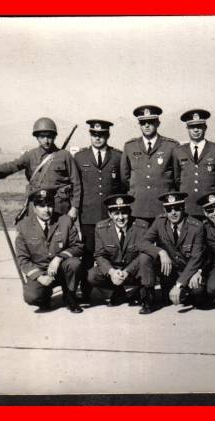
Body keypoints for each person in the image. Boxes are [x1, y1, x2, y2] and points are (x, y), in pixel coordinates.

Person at [0, 117, 81, 222]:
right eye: (42, 137)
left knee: (60, 232)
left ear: (54, 137)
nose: (46, 140)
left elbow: (76, 182)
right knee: (34, 231)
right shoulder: (30, 155)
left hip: (59, 207)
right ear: (37, 137)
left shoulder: (65, 155)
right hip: (37, 205)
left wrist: (75, 207)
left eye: (49, 136)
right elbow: (12, 166)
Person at [73, 119, 123, 302]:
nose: (98, 138)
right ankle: (85, 292)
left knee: (112, 254)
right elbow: (76, 185)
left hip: (111, 215)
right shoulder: (80, 157)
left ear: (107, 135)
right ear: (90, 135)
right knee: (87, 254)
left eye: (101, 134)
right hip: (88, 215)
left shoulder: (117, 156)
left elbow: (122, 185)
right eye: (94, 134)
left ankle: (115, 290)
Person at [14, 188, 84, 313]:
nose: (47, 210)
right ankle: (45, 296)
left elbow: (78, 246)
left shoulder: (65, 220)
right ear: (34, 208)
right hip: (40, 271)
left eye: (50, 205)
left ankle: (70, 296)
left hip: (61, 269)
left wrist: (59, 258)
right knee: (32, 297)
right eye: (42, 206)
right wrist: (39, 277)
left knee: (74, 263)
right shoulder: (23, 226)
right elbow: (22, 259)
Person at [137, 192, 206, 314]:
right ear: (164, 211)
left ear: (183, 208)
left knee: (198, 293)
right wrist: (161, 252)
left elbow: (196, 258)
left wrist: (179, 284)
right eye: (169, 209)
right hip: (169, 272)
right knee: (145, 256)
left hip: (187, 271)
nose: (173, 213)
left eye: (177, 208)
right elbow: (143, 243)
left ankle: (185, 292)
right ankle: (148, 298)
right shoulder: (160, 222)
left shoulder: (196, 226)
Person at [120, 105, 179, 225]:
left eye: (150, 122)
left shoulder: (171, 146)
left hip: (163, 205)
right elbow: (125, 177)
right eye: (143, 123)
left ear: (158, 123)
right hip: (138, 206)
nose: (146, 125)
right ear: (139, 124)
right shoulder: (130, 146)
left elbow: (177, 177)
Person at [88, 194, 148, 307]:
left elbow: (143, 254)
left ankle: (140, 293)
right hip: (114, 270)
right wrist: (111, 272)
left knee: (147, 267)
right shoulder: (101, 228)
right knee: (92, 275)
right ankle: (118, 292)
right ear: (110, 214)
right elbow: (99, 255)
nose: (120, 218)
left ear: (130, 212)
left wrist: (127, 271)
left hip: (133, 270)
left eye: (124, 213)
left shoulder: (141, 227)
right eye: (116, 213)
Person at [173, 109, 215, 220]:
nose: (196, 130)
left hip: (210, 206)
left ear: (205, 127)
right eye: (192, 127)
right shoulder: (179, 151)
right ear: (187, 128)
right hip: (187, 207)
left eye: (199, 126)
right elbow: (177, 179)